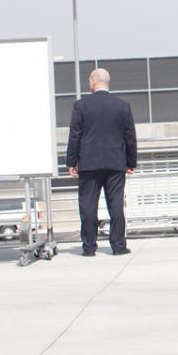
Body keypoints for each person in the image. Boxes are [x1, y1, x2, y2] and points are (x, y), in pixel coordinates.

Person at [66, 68, 138, 255]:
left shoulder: (81, 106)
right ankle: (119, 246)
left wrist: (71, 161)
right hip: (115, 163)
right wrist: (131, 162)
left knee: (88, 205)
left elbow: (75, 135)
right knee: (115, 205)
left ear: (93, 81)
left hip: (89, 164)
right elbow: (130, 136)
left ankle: (89, 247)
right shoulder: (122, 106)